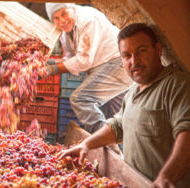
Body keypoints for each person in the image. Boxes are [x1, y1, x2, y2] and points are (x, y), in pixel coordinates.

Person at [58, 23, 190, 188]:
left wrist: (167, 177)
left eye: (141, 51)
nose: (134, 61)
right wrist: (87, 144)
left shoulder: (176, 84)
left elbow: (187, 133)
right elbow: (119, 126)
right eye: (127, 55)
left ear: (158, 50)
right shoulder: (134, 89)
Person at [44, 3, 132, 136]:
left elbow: (83, 60)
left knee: (81, 99)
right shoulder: (65, 32)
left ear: (71, 8)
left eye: (64, 13)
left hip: (116, 64)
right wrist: (46, 63)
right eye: (55, 18)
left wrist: (51, 70)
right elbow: (70, 58)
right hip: (102, 68)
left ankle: (105, 140)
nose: (61, 21)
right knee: (113, 118)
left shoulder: (87, 19)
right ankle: (116, 151)